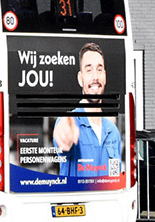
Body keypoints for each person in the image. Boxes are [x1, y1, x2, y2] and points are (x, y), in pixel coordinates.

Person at [52, 42, 122, 180]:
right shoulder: (70, 122)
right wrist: (64, 136)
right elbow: (63, 139)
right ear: (80, 78)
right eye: (89, 70)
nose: (95, 77)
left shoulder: (113, 132)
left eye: (99, 69)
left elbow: (115, 177)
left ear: (105, 76)